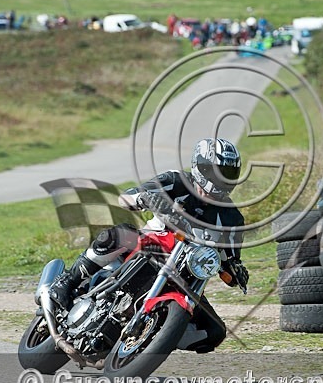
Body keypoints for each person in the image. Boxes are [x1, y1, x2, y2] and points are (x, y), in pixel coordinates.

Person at [48, 138, 249, 354]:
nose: (223, 179)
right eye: (219, 172)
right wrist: (145, 198)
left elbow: (230, 260)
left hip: (185, 276)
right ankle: (68, 281)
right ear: (202, 167)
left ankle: (154, 336)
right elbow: (127, 197)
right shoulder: (177, 180)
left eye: (228, 173)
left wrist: (236, 271)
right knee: (119, 233)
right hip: (150, 248)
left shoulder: (232, 219)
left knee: (214, 332)